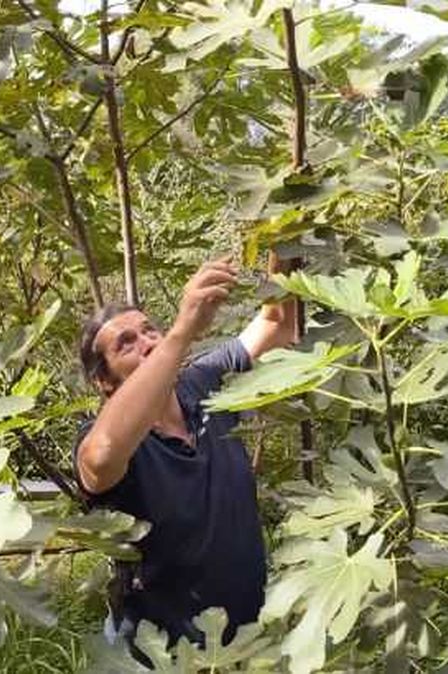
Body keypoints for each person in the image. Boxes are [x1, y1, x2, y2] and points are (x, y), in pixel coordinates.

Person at [73, 254, 297, 657]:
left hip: (242, 644)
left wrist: (282, 238)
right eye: (127, 343)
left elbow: (277, 326)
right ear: (104, 381)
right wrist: (182, 331)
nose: (147, 343)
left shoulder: (203, 385)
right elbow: (102, 455)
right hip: (162, 658)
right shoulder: (102, 439)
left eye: (149, 331)